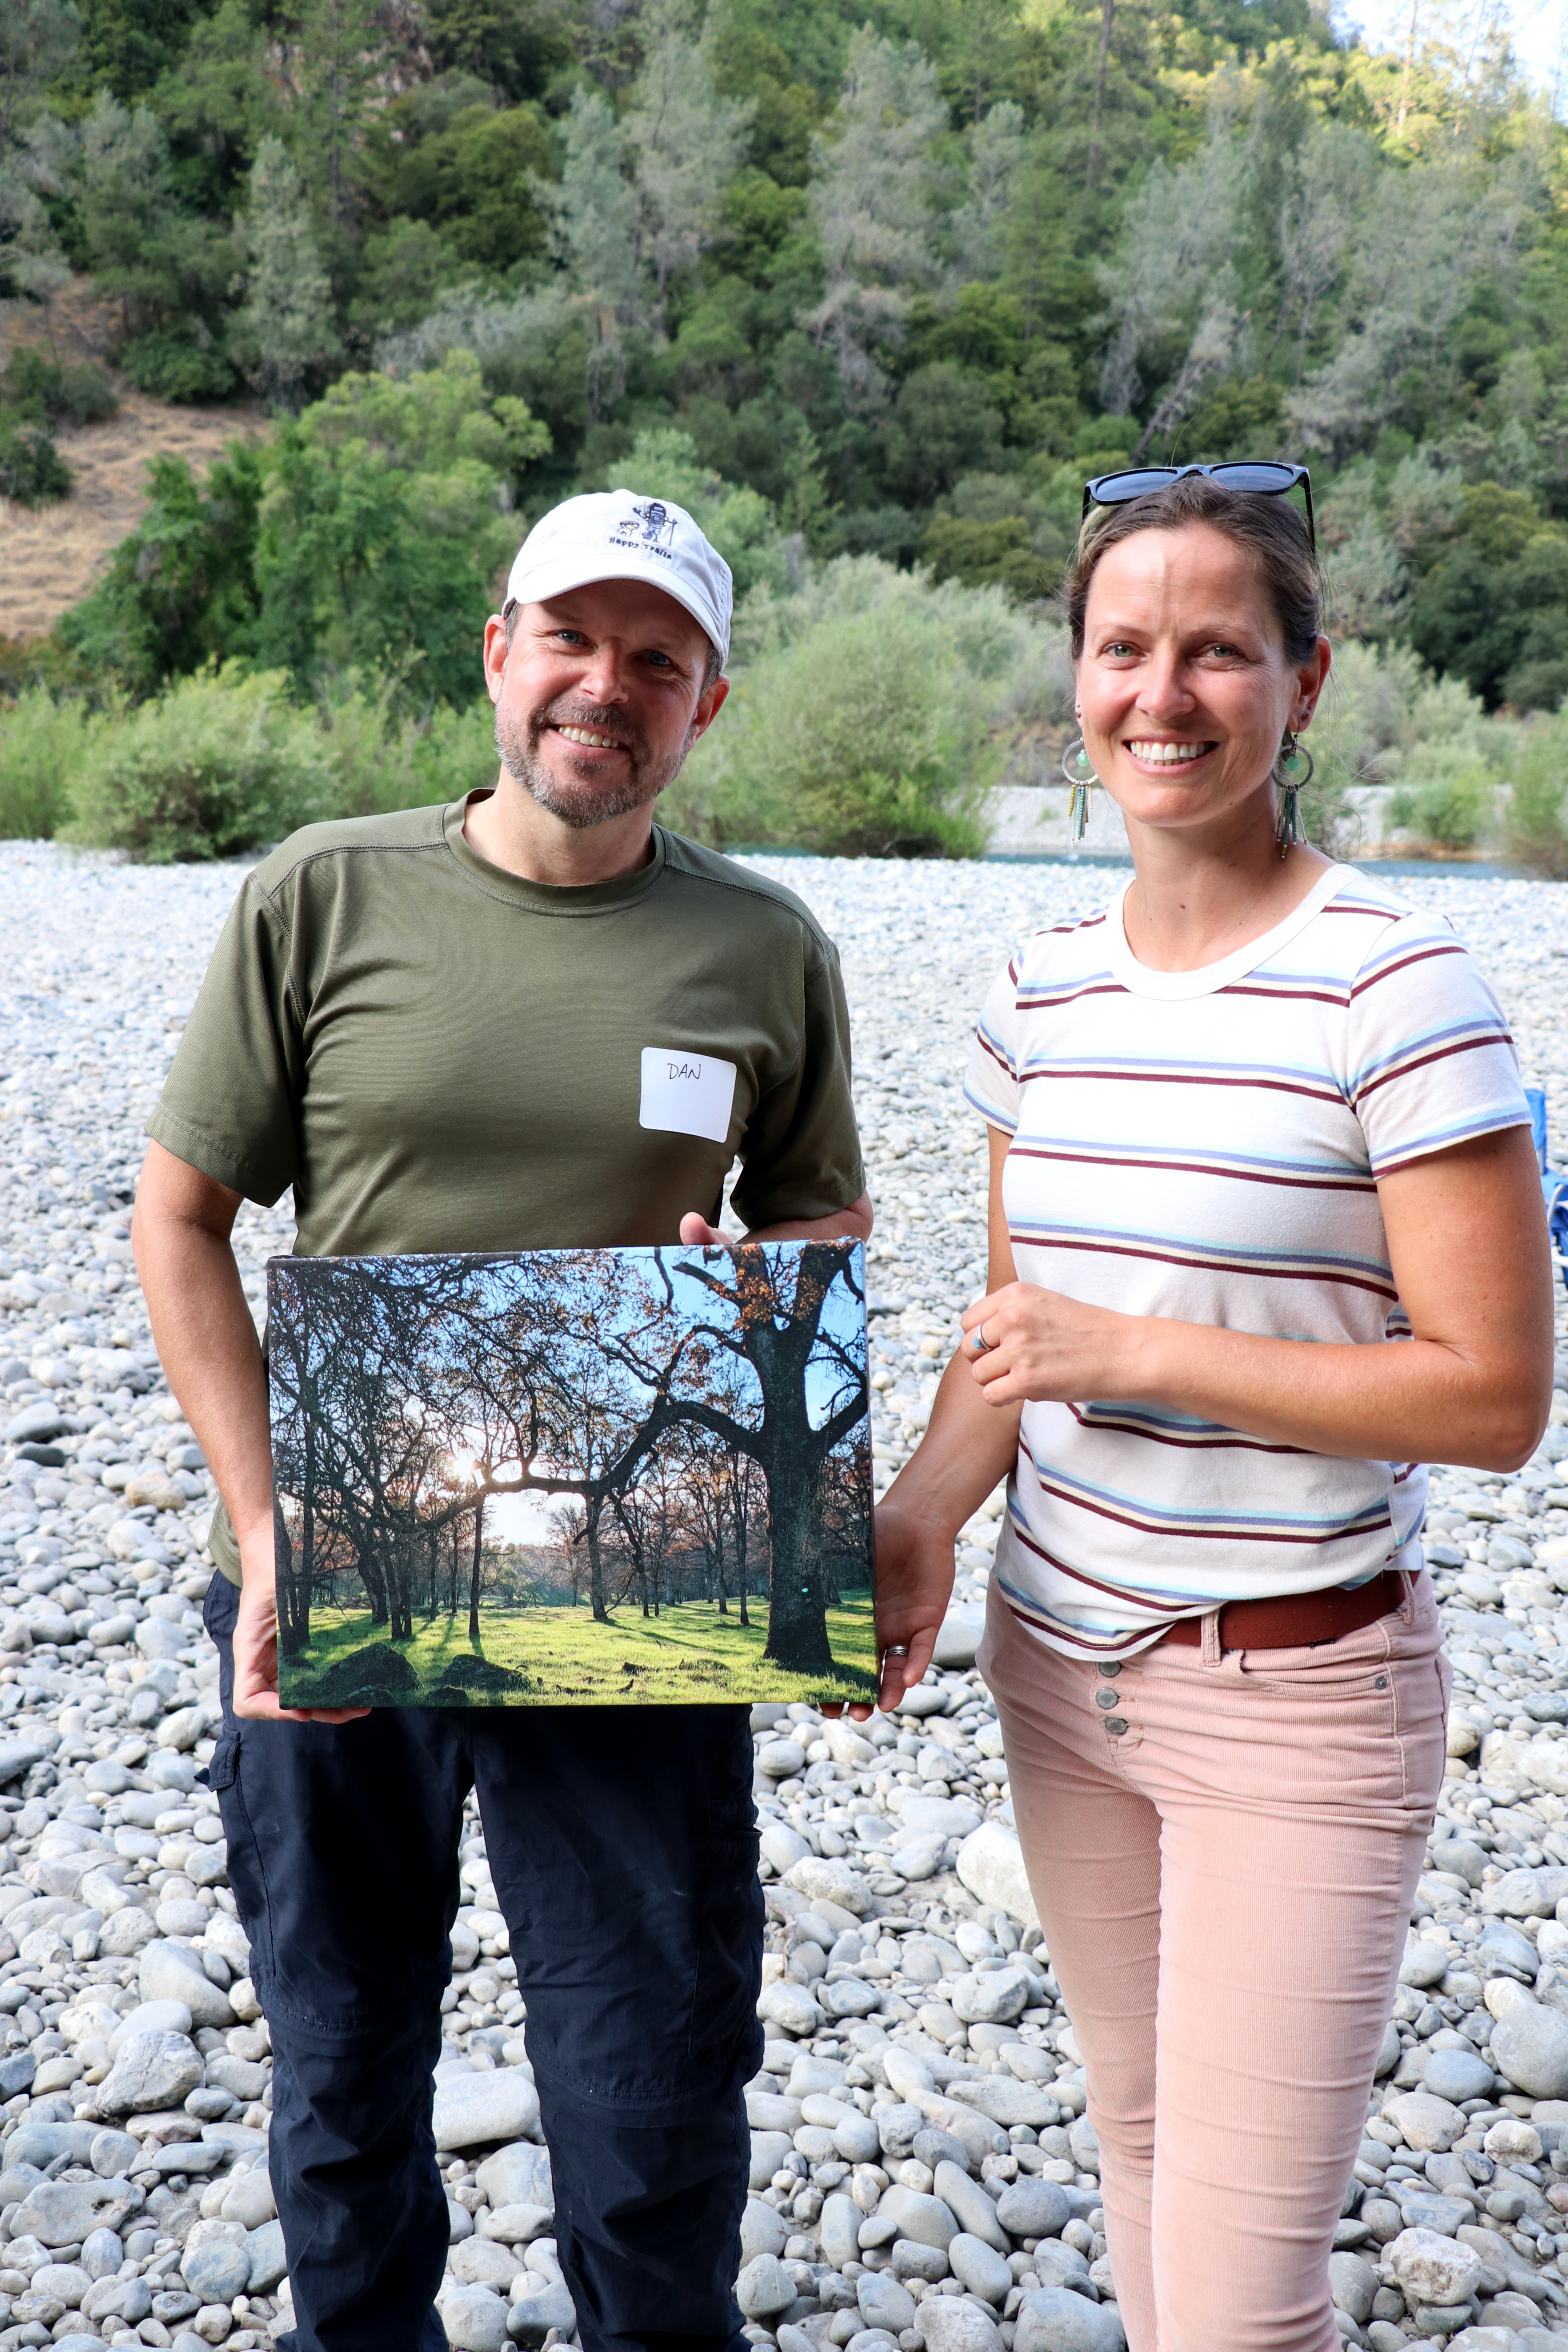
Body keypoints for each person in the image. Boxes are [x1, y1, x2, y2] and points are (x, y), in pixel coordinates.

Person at [131, 489, 873, 2352]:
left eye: (655, 659)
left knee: (649, 2074)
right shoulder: (325, 890)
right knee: (342, 2054)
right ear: (497, 652)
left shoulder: (764, 947)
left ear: (707, 703)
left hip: (635, 1581)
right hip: (339, 1570)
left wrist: (753, 1319)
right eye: (570, 639)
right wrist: (265, 1525)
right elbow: (180, 1219)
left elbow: (821, 1223)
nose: (601, 687)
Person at [872, 470, 1552, 2352]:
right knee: (1144, 2150)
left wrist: (1143, 1352)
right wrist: (924, 1514)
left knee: (1247, 2308)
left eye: (1216, 651)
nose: (1160, 695)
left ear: (1304, 682)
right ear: (1073, 678)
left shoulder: (1401, 987)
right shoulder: (1037, 990)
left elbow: (1494, 1399)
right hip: (1056, 1665)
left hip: (1301, 1696)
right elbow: (1014, 1332)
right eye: (1121, 649)